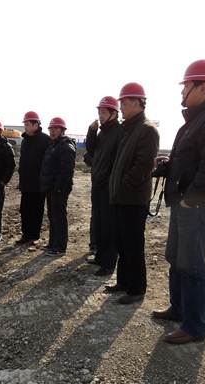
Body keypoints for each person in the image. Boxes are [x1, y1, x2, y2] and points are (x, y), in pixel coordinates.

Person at [152, 59, 205, 344]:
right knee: (176, 258)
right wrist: (168, 166)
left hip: (196, 205)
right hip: (183, 201)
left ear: (202, 87)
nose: (182, 91)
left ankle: (194, 326)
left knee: (191, 263)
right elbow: (189, 161)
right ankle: (178, 309)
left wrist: (191, 200)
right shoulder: (195, 121)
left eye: (186, 85)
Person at [108, 82, 159, 304]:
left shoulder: (147, 130)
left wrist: (124, 185)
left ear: (138, 103)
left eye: (124, 103)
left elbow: (143, 165)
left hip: (133, 199)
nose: (121, 107)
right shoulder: (128, 130)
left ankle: (136, 289)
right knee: (121, 242)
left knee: (133, 244)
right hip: (122, 197)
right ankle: (123, 282)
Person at [86, 96, 123, 276]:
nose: (100, 115)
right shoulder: (102, 132)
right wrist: (91, 132)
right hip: (98, 184)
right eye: (99, 112)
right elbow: (92, 150)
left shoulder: (119, 132)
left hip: (108, 186)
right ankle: (100, 257)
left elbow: (116, 161)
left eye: (103, 112)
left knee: (109, 225)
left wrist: (109, 180)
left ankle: (108, 263)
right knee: (99, 223)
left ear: (113, 113)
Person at [40, 117, 76, 256]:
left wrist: (59, 187)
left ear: (62, 130)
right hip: (51, 188)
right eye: (51, 129)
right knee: (52, 216)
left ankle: (60, 247)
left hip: (59, 189)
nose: (53, 131)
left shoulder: (66, 147)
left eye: (56, 128)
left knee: (59, 217)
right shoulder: (53, 145)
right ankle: (53, 243)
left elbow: (66, 171)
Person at [16, 111, 50, 244]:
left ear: (36, 125)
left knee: (36, 210)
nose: (25, 126)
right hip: (26, 182)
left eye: (27, 124)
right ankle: (26, 234)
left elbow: (48, 162)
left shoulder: (45, 140)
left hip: (38, 183)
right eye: (25, 124)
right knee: (25, 209)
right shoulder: (25, 141)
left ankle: (34, 235)